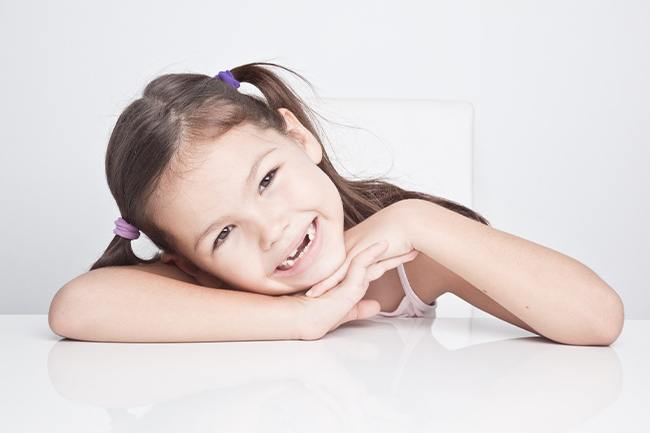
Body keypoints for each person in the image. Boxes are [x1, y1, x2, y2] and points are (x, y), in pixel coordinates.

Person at [48, 62, 624, 345]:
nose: (271, 231)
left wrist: (417, 218)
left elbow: (597, 319)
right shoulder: (210, 291)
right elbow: (76, 306)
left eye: (267, 180)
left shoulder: (404, 257)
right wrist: (300, 316)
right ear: (192, 265)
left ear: (300, 139)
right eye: (223, 235)